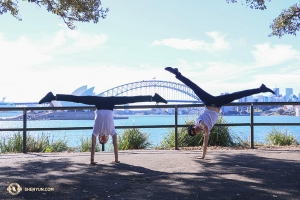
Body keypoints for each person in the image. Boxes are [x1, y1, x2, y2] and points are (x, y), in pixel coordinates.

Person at [165, 67, 275, 159]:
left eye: (193, 129)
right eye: (195, 133)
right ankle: (262, 89)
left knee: (194, 87)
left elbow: (204, 126)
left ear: (193, 126)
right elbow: (205, 144)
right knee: (237, 95)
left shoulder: (198, 122)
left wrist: (206, 132)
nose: (195, 130)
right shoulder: (204, 131)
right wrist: (203, 156)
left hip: (208, 101)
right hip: (218, 104)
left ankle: (177, 74)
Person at [39, 92, 167, 164]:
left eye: (103, 140)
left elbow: (93, 146)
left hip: (99, 103)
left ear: (100, 138)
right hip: (110, 103)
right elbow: (116, 145)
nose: (105, 138)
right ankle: (153, 97)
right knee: (131, 99)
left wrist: (92, 160)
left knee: (78, 99)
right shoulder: (112, 132)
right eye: (106, 140)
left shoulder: (96, 132)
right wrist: (116, 160)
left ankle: (53, 97)